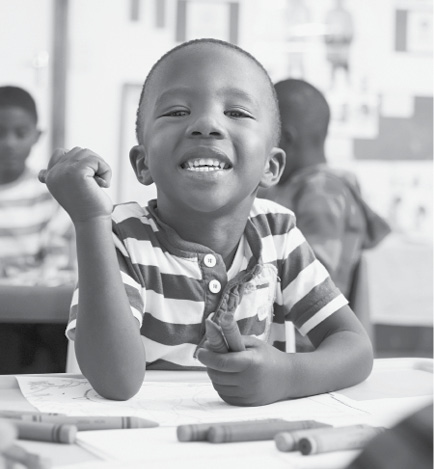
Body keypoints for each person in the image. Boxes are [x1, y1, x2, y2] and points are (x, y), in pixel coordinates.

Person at [39, 38, 373, 405]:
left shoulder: (278, 234)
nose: (207, 124)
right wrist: (89, 221)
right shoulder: (121, 236)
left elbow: (356, 349)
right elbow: (115, 383)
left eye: (237, 112)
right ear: (143, 162)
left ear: (271, 166)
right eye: (178, 111)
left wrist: (288, 376)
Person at [259, 78, 390, 301]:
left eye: (263, 136)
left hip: (305, 329)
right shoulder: (297, 186)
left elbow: (311, 279)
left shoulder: (322, 192)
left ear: (284, 140)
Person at [0, 85, 74, 373]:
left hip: (30, 318)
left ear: (36, 136)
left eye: (20, 133)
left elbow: (56, 269)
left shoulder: (48, 196)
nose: (8, 143)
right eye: (0, 132)